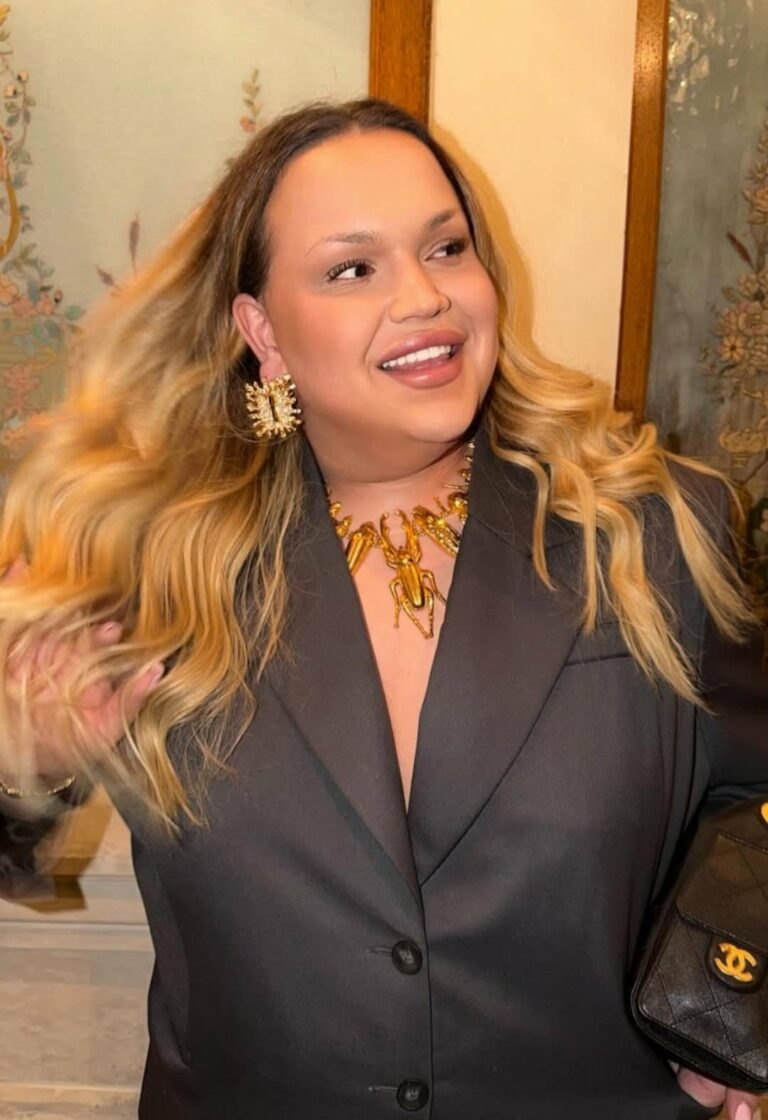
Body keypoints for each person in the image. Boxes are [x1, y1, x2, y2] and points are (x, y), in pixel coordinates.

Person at [0, 97, 765, 1120]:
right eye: (353, 268)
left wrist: (737, 1002)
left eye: (446, 248)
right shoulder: (145, 560)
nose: (424, 296)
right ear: (262, 331)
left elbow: (754, 797)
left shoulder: (658, 532)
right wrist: (28, 761)